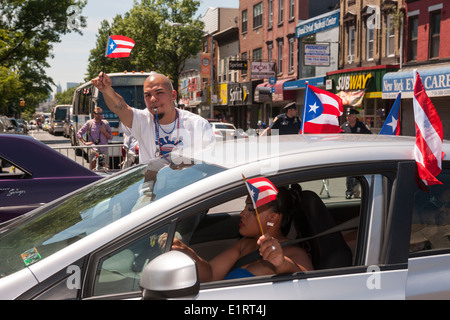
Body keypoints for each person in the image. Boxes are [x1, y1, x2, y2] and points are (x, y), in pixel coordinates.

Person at [166, 180, 313, 282]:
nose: (243, 213)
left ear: (273, 218)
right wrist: (187, 252)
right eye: (245, 207)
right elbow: (210, 274)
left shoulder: (294, 252)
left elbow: (310, 282)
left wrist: (281, 263)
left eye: (251, 208)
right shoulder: (245, 244)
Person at [91, 72, 215, 163]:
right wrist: (106, 90)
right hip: (151, 191)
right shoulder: (143, 120)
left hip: (186, 193)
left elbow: (210, 165)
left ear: (173, 95)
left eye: (159, 93)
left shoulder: (198, 125)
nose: (153, 99)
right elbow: (120, 107)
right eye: (147, 95)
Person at [341, 108, 372, 198]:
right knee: (349, 174)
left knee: (358, 173)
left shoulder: (361, 125)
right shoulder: (344, 126)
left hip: (359, 153)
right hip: (348, 153)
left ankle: (356, 190)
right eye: (347, 116)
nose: (348, 117)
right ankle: (349, 191)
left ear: (355, 116)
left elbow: (369, 135)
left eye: (350, 115)